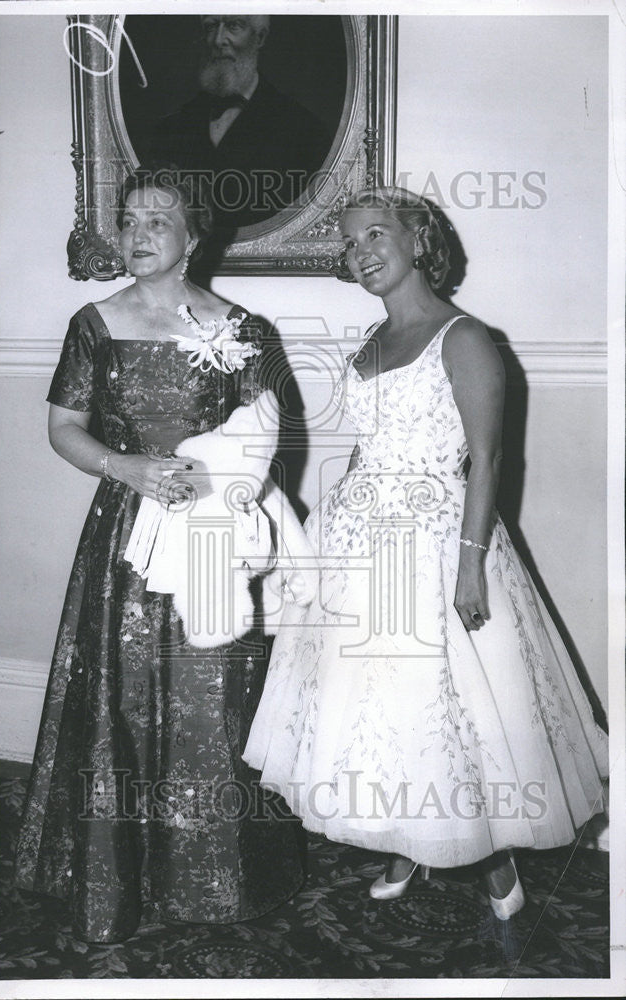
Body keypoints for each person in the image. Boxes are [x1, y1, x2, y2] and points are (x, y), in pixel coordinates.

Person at [243, 187, 609, 920]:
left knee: (450, 708)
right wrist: (314, 553)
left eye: (376, 234)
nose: (361, 253)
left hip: (435, 542)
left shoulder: (464, 338)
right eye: (348, 243)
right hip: (357, 541)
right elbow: (360, 453)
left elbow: (488, 457)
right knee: (374, 707)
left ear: (418, 241)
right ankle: (406, 839)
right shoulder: (367, 345)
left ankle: (494, 857)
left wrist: (470, 563)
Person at [13, 166, 304, 942]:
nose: (137, 235)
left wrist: (219, 485)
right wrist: (129, 467)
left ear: (192, 236)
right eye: (129, 221)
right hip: (123, 541)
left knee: (214, 699)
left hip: (210, 542)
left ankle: (214, 876)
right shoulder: (93, 323)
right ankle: (118, 879)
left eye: (157, 221)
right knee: (123, 699)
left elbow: (266, 442)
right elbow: (63, 429)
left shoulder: (243, 328)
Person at [149, 14, 333, 229]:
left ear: (260, 37)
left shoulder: (305, 131)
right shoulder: (171, 127)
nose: (218, 40)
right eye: (211, 26)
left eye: (233, 26)